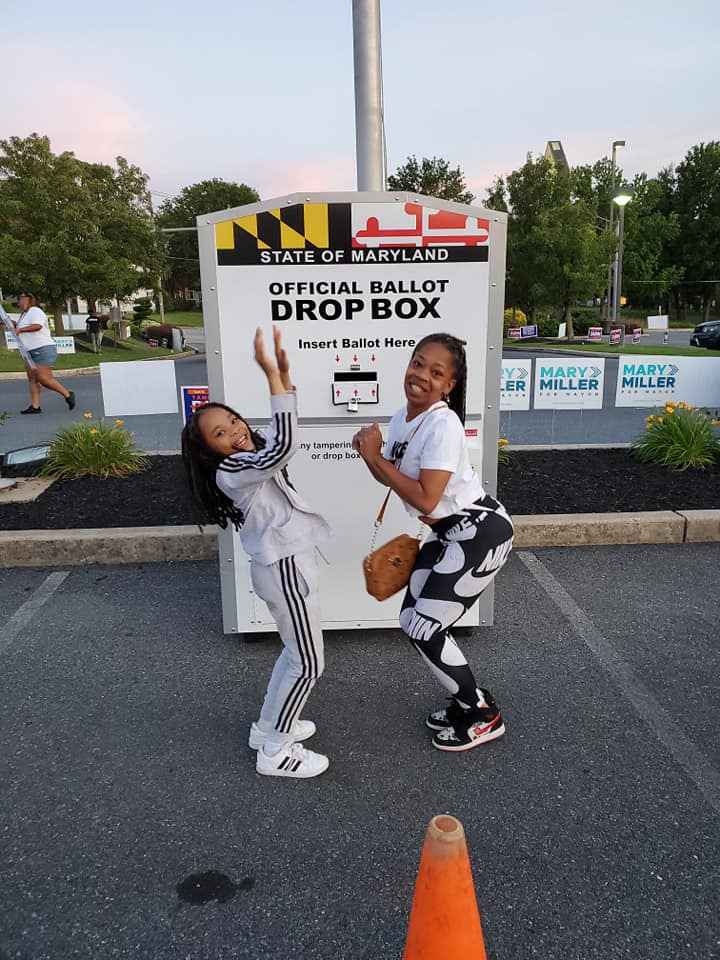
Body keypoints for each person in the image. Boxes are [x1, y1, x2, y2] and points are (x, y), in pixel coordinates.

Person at [181, 325, 331, 780]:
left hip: (285, 565)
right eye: (220, 434)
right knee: (308, 662)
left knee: (295, 652)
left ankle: (268, 725)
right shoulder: (232, 471)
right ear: (211, 453)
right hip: (283, 568)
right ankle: (276, 750)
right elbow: (282, 447)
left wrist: (285, 378)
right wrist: (271, 377)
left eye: (233, 423)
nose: (234, 433)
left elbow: (274, 437)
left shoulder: (249, 453)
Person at [353, 333, 514, 753]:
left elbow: (424, 495)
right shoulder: (402, 417)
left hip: (479, 533)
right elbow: (393, 480)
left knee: (426, 626)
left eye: (435, 372)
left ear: (448, 386)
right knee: (412, 619)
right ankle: (466, 700)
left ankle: (480, 713)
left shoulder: (443, 423)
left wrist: (375, 458)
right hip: (447, 533)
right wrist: (371, 457)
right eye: (418, 363)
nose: (421, 375)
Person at [13, 293, 75, 415]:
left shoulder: (35, 311)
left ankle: (68, 394)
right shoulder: (24, 315)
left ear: (27, 300)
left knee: (43, 378)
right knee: (32, 379)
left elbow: (37, 326)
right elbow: (20, 326)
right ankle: (35, 406)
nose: (18, 301)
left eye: (19, 298)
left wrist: (20, 329)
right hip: (29, 351)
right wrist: (11, 323)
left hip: (42, 348)